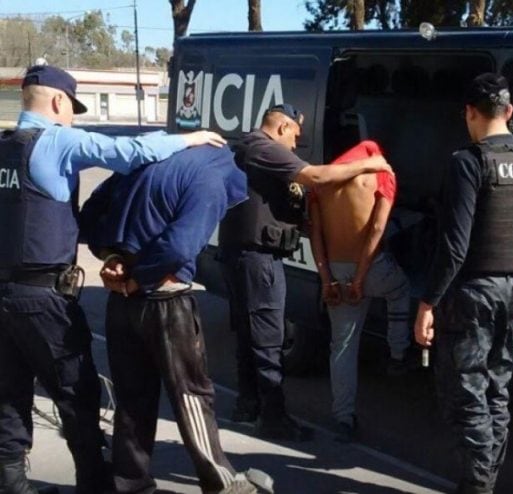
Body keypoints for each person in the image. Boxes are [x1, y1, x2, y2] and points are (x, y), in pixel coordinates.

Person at [0, 64, 225, 494]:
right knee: (76, 392)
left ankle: (11, 483)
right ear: (59, 101)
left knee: (9, 392)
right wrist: (188, 138)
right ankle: (95, 483)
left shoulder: (4, 147)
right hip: (42, 296)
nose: (71, 119)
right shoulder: (57, 141)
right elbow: (131, 153)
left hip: (3, 293)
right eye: (71, 110)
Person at [80, 145, 273, 494]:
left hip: (121, 305)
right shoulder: (215, 179)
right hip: (167, 305)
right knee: (192, 397)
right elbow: (180, 246)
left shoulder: (148, 159)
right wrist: (140, 277)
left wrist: (111, 256)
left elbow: (92, 213)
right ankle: (222, 483)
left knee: (132, 399)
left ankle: (129, 483)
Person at [218, 104, 393, 439]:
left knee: (248, 335)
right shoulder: (263, 147)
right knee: (269, 340)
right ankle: (273, 418)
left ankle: (248, 405)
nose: (296, 145)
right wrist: (370, 163)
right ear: (282, 127)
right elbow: (315, 176)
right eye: (295, 136)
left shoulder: (250, 147)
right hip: (259, 259)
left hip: (244, 255)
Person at [413, 73, 513, 494]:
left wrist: (426, 304)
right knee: (497, 390)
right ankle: (485, 481)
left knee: (468, 395)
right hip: (512, 291)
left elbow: (454, 247)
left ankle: (477, 487)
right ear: (509, 112)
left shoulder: (468, 162)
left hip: (473, 294)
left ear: (470, 113)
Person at [307, 140, 411, 442]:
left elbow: (315, 233)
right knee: (401, 289)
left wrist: (327, 280)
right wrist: (361, 279)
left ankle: (343, 417)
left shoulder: (324, 180)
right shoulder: (380, 176)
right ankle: (397, 352)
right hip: (370, 267)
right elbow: (377, 229)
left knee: (342, 346)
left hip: (335, 270)